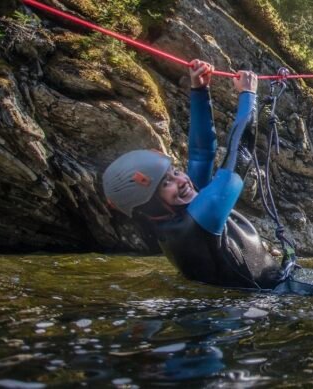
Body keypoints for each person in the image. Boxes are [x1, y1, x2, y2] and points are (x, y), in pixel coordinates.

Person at [103, 60, 288, 290]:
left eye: (175, 172)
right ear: (149, 204)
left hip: (264, 295)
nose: (182, 180)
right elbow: (241, 153)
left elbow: (201, 154)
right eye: (166, 183)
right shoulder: (197, 223)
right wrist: (248, 95)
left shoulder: (178, 219)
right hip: (273, 300)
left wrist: (200, 90)